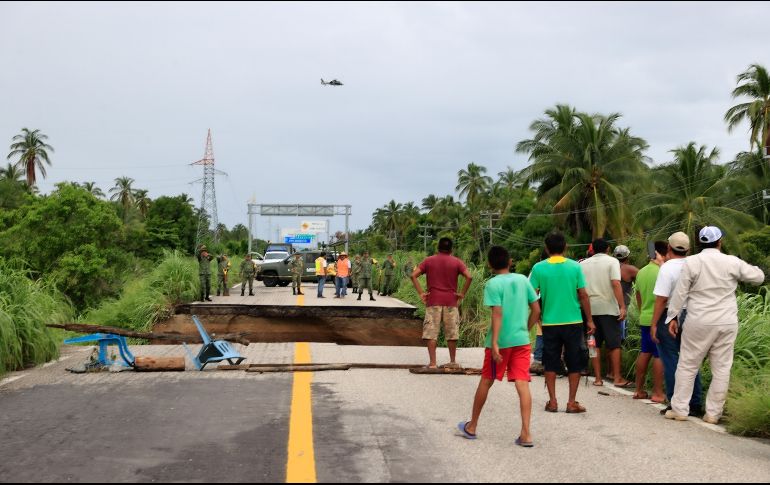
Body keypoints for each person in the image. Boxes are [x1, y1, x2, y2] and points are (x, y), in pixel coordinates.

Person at [664, 227, 764, 423]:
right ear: (720, 242)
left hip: (698, 320)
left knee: (688, 365)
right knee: (722, 368)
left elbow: (680, 292)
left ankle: (680, 410)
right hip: (726, 321)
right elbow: (758, 277)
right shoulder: (731, 261)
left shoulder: (692, 261)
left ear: (699, 243)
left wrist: (672, 317)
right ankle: (713, 414)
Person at [457, 246, 541, 446]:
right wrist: (525, 329)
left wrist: (494, 342)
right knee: (522, 383)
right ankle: (526, 434)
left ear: (489, 264)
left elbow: (497, 313)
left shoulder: (492, 284)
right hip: (521, 341)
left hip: (500, 343)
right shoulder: (523, 280)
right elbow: (536, 310)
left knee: (486, 380)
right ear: (510, 261)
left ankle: (472, 426)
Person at [529, 232, 595, 414]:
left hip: (550, 323)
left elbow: (532, 294)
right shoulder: (575, 267)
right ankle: (571, 402)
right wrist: (589, 320)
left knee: (550, 362)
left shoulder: (538, 268)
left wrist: (536, 313)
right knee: (574, 362)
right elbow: (583, 295)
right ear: (565, 247)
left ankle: (552, 402)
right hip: (573, 321)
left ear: (546, 248)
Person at [650, 232, 704, 416]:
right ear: (688, 249)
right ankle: (695, 403)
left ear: (669, 248)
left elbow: (661, 299)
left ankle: (676, 403)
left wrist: (654, 324)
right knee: (691, 361)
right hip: (694, 315)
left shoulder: (667, 268)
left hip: (670, 315)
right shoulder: (695, 264)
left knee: (671, 359)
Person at [411, 237, 473, 369]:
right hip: (451, 302)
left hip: (433, 301)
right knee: (452, 333)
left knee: (431, 333)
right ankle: (452, 361)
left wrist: (422, 293)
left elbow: (413, 275)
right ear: (451, 249)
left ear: (438, 247)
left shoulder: (429, 261)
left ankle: (433, 363)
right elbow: (469, 277)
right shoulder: (456, 262)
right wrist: (461, 294)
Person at [580, 238, 630, 388]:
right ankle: (617, 378)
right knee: (614, 344)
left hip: (589, 309)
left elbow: (580, 289)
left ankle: (598, 378)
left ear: (592, 249)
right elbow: (616, 283)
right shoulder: (612, 262)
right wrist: (622, 306)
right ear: (608, 249)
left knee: (593, 344)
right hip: (608, 308)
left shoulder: (582, 264)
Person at [631, 241, 667, 402]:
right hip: (659, 318)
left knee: (645, 352)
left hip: (644, 317)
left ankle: (638, 390)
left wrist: (643, 311)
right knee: (659, 355)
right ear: (663, 254)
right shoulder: (662, 271)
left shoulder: (641, 272)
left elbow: (638, 296)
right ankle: (658, 393)